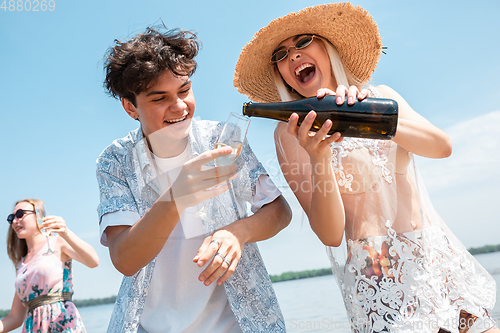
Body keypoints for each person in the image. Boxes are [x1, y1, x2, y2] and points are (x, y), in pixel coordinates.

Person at [233, 2, 498, 333]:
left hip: (436, 264)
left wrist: (366, 114)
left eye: (303, 43)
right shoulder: (289, 135)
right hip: (380, 281)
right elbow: (330, 235)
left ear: (325, 49)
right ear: (280, 73)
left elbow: (441, 147)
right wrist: (319, 157)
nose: (293, 56)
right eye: (281, 55)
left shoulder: (380, 97)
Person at [97, 26, 291, 333]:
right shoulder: (115, 161)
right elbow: (125, 258)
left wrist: (238, 233)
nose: (179, 107)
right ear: (130, 106)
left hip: (238, 324)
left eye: (184, 90)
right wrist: (178, 196)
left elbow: (279, 211)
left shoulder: (221, 138)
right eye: (160, 98)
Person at [0, 199, 99, 333]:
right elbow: (15, 317)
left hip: (62, 322)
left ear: (38, 215)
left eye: (20, 214)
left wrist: (66, 232)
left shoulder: (57, 243)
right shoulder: (21, 264)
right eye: (11, 218)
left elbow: (93, 261)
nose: (15, 221)